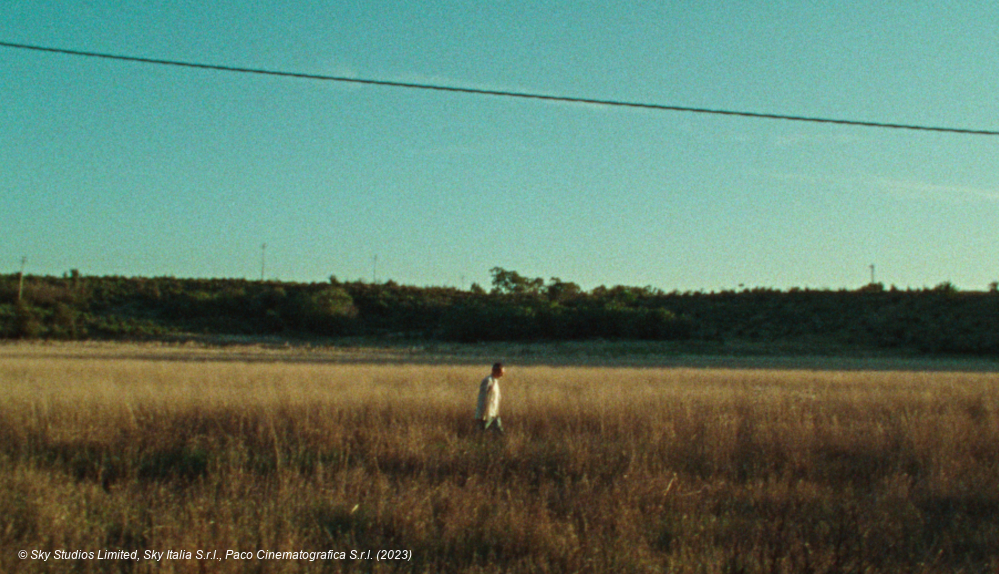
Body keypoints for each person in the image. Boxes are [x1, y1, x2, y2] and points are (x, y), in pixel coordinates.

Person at [474, 362, 505, 433]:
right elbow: (482, 398)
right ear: (495, 371)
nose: (502, 374)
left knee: (500, 431)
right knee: (481, 430)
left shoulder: (496, 381)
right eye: (501, 372)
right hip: (486, 413)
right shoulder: (488, 381)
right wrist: (482, 414)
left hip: (494, 413)